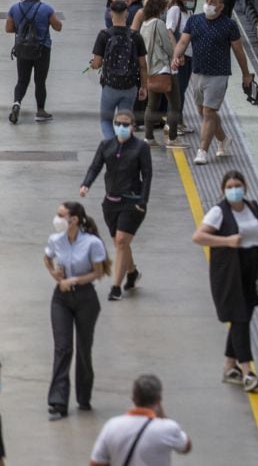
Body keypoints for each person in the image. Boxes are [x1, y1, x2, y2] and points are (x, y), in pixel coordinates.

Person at [192, 171, 258, 392]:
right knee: (240, 317)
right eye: (229, 186)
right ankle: (248, 372)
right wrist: (226, 240)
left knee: (244, 315)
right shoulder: (218, 212)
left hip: (254, 268)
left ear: (245, 187)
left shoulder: (255, 207)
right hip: (230, 270)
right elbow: (198, 236)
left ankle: (230, 367)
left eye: (237, 185)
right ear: (223, 190)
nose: (234, 189)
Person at [44, 202, 111, 421]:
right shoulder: (56, 240)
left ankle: (84, 396)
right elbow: (47, 258)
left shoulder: (91, 243)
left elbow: (98, 273)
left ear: (74, 219)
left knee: (83, 348)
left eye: (61, 215)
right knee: (63, 347)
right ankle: (58, 401)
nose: (57, 219)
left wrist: (74, 279)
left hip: (85, 299)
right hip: (61, 299)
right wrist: (56, 274)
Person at [171, 0, 253, 165]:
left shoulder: (229, 25)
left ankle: (202, 151)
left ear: (221, 7)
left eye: (213, 2)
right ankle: (223, 139)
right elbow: (183, 41)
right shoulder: (194, 20)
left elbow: (238, 50)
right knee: (203, 112)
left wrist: (246, 74)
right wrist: (176, 56)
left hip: (218, 75)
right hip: (197, 72)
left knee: (209, 112)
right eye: (207, 0)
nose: (208, 4)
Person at [80, 110, 153, 302]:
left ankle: (116, 288)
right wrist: (86, 184)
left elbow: (147, 176)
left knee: (121, 241)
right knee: (121, 243)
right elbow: (95, 167)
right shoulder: (106, 145)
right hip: (110, 204)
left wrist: (143, 200)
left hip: (133, 202)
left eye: (126, 124)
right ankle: (132, 273)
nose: (122, 127)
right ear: (113, 124)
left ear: (133, 127)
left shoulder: (141, 148)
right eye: (118, 123)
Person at [90, 374, 192, 466]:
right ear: (158, 400)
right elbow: (186, 447)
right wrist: (163, 415)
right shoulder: (168, 428)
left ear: (133, 399)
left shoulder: (112, 426)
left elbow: (96, 463)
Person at [92, 0, 150, 140]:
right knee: (125, 121)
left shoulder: (104, 35)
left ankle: (112, 146)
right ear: (127, 14)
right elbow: (143, 65)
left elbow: (97, 63)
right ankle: (124, 147)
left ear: (111, 13)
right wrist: (143, 87)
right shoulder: (136, 36)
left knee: (106, 120)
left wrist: (93, 64)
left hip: (110, 86)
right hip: (130, 86)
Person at [6, 0, 61, 124]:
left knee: (22, 80)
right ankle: (40, 111)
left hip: (22, 49)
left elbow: (9, 28)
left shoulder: (14, 8)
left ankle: (17, 103)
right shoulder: (46, 9)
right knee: (40, 81)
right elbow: (58, 26)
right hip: (42, 50)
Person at [138, 0, 181, 147]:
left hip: (150, 69)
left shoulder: (144, 24)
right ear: (159, 9)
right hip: (163, 67)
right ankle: (173, 138)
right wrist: (176, 57)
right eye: (164, 9)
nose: (165, 11)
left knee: (152, 105)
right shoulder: (159, 23)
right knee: (175, 104)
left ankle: (149, 138)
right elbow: (167, 46)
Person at [165, 0, 196, 135]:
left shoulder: (188, 12)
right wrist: (178, 53)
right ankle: (172, 124)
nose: (193, 0)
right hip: (180, 57)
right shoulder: (175, 10)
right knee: (176, 91)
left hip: (189, 56)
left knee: (181, 91)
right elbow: (169, 31)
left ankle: (179, 121)